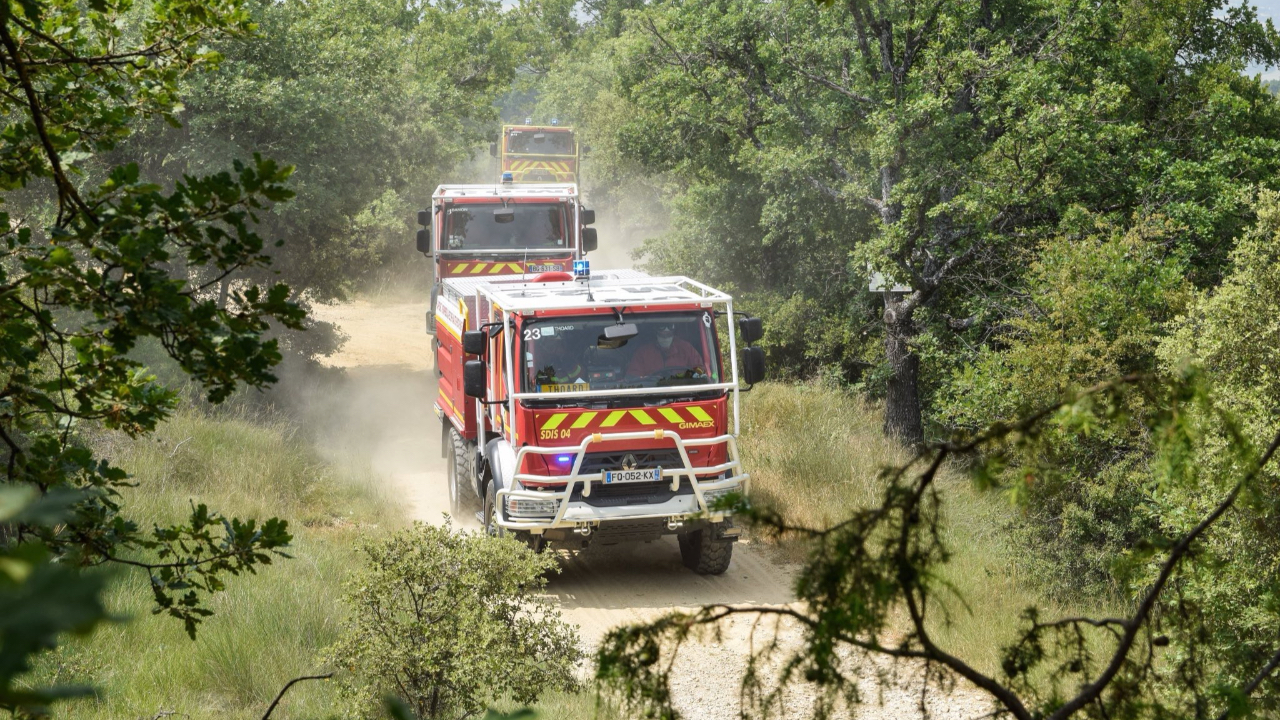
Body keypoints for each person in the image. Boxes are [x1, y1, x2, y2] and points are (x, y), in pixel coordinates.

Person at [626, 324, 703, 377]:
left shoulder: (686, 349)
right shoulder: (643, 353)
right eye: (662, 335)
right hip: (652, 395)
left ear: (673, 334)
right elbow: (633, 377)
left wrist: (689, 377)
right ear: (656, 334)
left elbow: (700, 370)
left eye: (668, 335)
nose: (665, 338)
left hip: (684, 394)